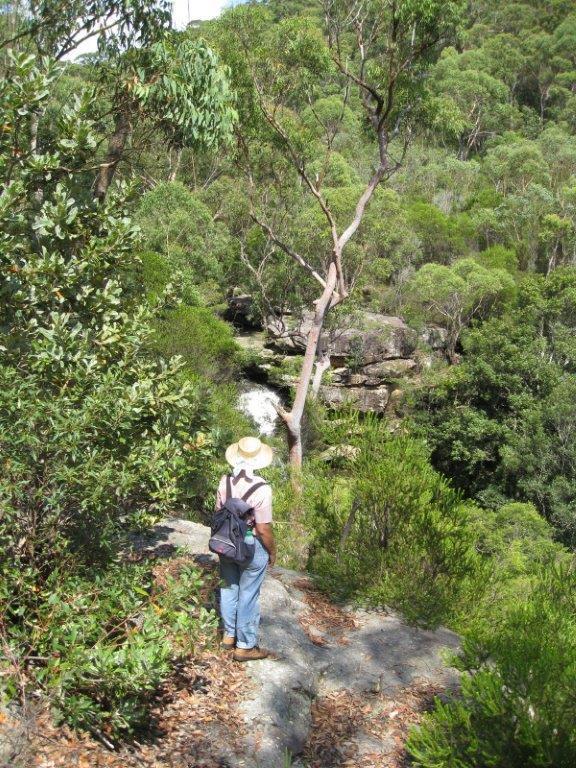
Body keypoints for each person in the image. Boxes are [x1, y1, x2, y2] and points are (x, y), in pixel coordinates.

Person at [216, 436, 277, 662]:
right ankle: (245, 646)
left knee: (228, 587)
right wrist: (272, 551)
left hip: (226, 543)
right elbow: (262, 528)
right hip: (251, 544)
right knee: (249, 594)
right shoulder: (262, 488)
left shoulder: (225, 482)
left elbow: (219, 514)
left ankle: (228, 636)